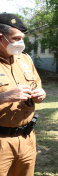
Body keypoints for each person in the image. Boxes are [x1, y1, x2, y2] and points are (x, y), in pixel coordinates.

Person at [0, 13, 46, 176]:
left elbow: (37, 85)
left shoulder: (25, 59)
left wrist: (40, 95)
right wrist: (4, 97)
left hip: (27, 138)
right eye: (15, 38)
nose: (21, 43)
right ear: (0, 38)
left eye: (22, 38)